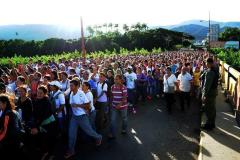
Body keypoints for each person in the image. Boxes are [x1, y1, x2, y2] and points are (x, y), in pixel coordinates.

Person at [65, 79, 102, 159]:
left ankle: (98, 137)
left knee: (89, 131)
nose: (70, 87)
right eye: (70, 85)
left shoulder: (81, 93)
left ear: (77, 86)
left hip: (82, 117)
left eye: (72, 85)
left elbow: (88, 106)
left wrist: (78, 105)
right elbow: (71, 104)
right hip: (74, 117)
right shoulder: (71, 93)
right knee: (71, 134)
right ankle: (71, 151)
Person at [31, 86, 57, 160]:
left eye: (41, 93)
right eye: (38, 92)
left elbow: (44, 116)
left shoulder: (47, 102)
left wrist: (37, 127)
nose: (38, 94)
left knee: (50, 139)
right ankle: (45, 152)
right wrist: (33, 125)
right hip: (41, 123)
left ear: (45, 94)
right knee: (42, 139)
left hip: (49, 123)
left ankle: (51, 154)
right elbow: (34, 113)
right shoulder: (36, 100)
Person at [0, 94, 24, 159]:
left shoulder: (7, 114)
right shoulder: (13, 112)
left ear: (5, 103)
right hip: (15, 141)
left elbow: (5, 131)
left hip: (10, 143)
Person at [201, 57, 218, 130]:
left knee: (208, 109)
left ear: (209, 63)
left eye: (206, 63)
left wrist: (204, 95)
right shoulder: (214, 69)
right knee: (212, 108)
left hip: (209, 93)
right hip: (213, 92)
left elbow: (207, 85)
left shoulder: (210, 72)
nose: (206, 64)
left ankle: (209, 125)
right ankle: (212, 123)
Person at [109, 74, 128, 138]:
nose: (115, 80)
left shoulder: (123, 87)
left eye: (116, 79)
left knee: (124, 119)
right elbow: (111, 96)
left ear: (120, 80)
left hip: (123, 107)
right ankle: (112, 133)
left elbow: (125, 97)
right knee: (112, 120)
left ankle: (124, 129)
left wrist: (119, 104)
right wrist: (111, 103)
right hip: (114, 106)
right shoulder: (112, 87)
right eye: (114, 79)